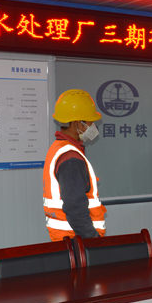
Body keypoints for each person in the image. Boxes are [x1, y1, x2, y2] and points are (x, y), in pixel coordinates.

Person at [42, 89, 107, 241]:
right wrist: (93, 240)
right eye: (90, 122)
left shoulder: (59, 148)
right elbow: (75, 207)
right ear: (77, 124)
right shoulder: (71, 157)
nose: (93, 127)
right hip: (77, 242)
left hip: (68, 241)